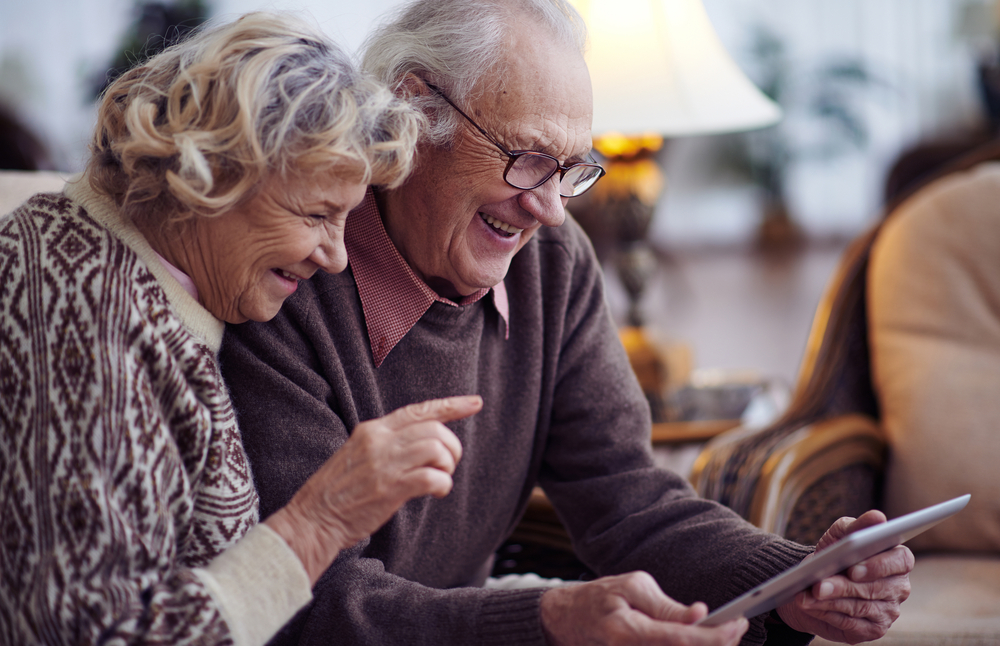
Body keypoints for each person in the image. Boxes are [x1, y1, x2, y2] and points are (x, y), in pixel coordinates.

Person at [220, 2, 914, 645]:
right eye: (526, 159)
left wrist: (794, 579)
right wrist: (546, 622)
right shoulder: (284, 279)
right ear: (414, 110)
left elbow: (629, 500)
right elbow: (308, 604)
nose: (549, 209)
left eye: (572, 169)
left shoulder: (550, 261)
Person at [0, 12, 482, 646]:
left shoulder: (151, 282)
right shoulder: (79, 313)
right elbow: (96, 633)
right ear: (212, 175)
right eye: (316, 214)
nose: (334, 255)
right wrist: (320, 522)